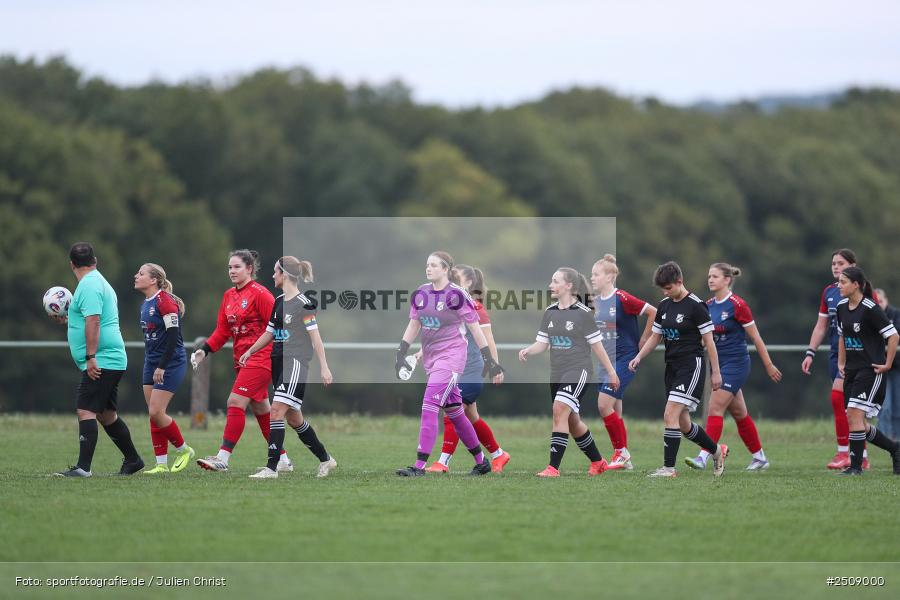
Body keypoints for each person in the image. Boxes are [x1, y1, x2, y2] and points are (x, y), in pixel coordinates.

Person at [394, 251, 503, 477]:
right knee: (455, 412)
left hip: (452, 359)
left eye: (434, 265)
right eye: (427, 264)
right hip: (432, 359)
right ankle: (482, 461)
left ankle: (419, 465)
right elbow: (414, 324)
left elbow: (476, 330)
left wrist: (490, 361)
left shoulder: (458, 295)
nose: (429, 268)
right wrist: (401, 352)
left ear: (446, 269)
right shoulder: (421, 293)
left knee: (429, 405)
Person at [192, 250, 292, 472]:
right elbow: (222, 331)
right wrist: (205, 350)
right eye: (229, 267)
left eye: (237, 267)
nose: (232, 271)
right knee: (261, 409)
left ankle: (223, 458)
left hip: (262, 358)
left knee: (235, 402)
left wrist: (283, 355)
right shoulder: (228, 295)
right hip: (241, 360)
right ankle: (283, 459)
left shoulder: (261, 294)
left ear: (249, 269)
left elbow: (281, 328)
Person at [628, 261, 727, 478]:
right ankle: (718, 451)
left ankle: (668, 469)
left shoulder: (696, 306)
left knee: (669, 414)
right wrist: (639, 356)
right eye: (662, 288)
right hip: (671, 366)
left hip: (691, 365)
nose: (665, 292)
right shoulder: (664, 305)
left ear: (679, 282)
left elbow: (709, 341)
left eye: (668, 287)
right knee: (683, 423)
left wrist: (716, 372)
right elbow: (656, 336)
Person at [241, 257, 337, 479]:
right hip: (278, 363)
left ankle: (271, 468)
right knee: (295, 419)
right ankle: (326, 459)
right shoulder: (280, 301)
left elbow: (316, 339)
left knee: (275, 411)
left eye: (275, 271)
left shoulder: (304, 303)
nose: (273, 275)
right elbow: (269, 333)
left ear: (284, 274)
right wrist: (250, 351)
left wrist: (324, 367)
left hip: (295, 363)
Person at [53, 242, 144, 477]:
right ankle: (133, 460)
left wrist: (91, 357)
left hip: (103, 359)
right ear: (95, 261)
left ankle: (83, 468)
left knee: (85, 410)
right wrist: (69, 320)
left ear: (72, 264)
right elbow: (88, 318)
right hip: (109, 358)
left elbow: (94, 320)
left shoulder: (90, 285)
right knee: (106, 415)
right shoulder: (96, 281)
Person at [519, 267, 620, 477]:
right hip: (557, 373)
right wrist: (529, 350)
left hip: (579, 370)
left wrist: (611, 372)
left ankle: (552, 468)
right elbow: (542, 343)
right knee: (572, 420)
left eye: (555, 281)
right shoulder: (550, 312)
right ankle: (598, 461)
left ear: (569, 286)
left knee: (559, 410)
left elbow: (597, 347)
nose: (551, 285)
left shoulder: (583, 314)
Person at [684, 263, 782, 471]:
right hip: (718, 364)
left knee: (715, 407)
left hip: (736, 364)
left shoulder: (737, 305)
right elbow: (705, 338)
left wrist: (769, 365)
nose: (710, 279)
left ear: (727, 280)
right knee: (739, 413)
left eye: (715, 276)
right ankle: (760, 457)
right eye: (709, 276)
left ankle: (704, 455)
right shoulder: (708, 305)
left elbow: (756, 337)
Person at [426, 264, 510, 473]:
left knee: (452, 410)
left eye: (455, 278)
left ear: (469, 283)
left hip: (473, 370)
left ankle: (443, 462)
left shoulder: (475, 307)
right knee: (471, 416)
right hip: (458, 368)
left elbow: (488, 339)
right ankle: (499, 454)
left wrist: (495, 366)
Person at [801, 249, 870, 469]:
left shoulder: (864, 290)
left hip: (859, 355)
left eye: (840, 263)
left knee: (846, 403)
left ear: (853, 266)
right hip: (836, 354)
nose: (835, 267)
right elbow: (821, 326)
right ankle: (854, 455)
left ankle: (851, 454)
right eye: (833, 263)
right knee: (845, 405)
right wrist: (810, 352)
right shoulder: (829, 292)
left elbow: (877, 323)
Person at [589, 254, 656, 470]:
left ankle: (621, 453)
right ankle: (624, 457)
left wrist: (645, 339)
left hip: (625, 359)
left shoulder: (623, 298)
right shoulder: (595, 302)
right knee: (615, 411)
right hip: (605, 361)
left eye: (596, 274)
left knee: (603, 405)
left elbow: (653, 312)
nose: (592, 278)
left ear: (609, 277)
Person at [834, 267, 900, 475]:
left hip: (870, 370)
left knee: (854, 416)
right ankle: (895, 448)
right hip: (852, 371)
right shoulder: (841, 306)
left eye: (843, 282)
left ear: (856, 285)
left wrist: (887, 364)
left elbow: (893, 336)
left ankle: (855, 468)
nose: (839, 285)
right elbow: (843, 337)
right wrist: (841, 363)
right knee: (857, 422)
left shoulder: (871, 308)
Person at [133, 263, 195, 474]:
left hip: (171, 362)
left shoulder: (165, 302)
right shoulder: (145, 304)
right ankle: (161, 464)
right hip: (151, 362)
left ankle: (184, 449)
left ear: (153, 280)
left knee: (156, 411)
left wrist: (161, 366)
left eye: (141, 274)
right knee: (154, 415)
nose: (136, 276)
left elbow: (173, 337)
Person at [874, 289, 900, 439]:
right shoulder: (872, 314)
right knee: (885, 406)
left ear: (886, 300)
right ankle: (884, 438)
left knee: (897, 406)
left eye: (881, 301)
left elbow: (895, 334)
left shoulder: (896, 314)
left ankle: (897, 439)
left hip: (897, 366)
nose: (879, 304)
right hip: (880, 368)